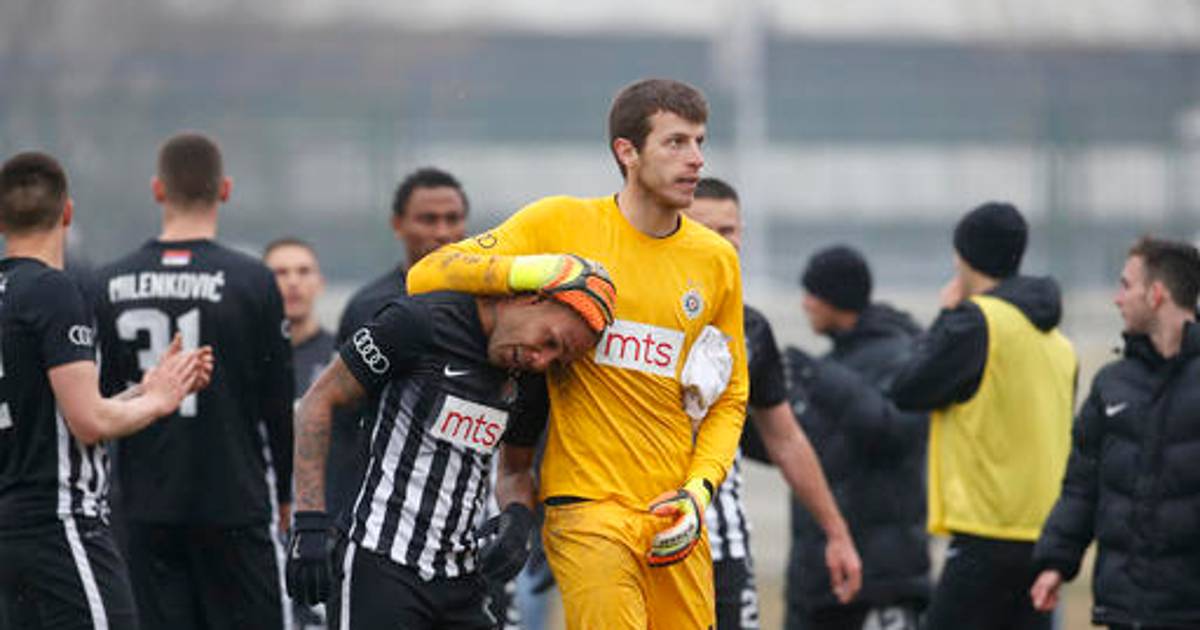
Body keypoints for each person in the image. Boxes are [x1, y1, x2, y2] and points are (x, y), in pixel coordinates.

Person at [407, 78, 751, 629]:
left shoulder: (716, 261)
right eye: (676, 142)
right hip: (586, 509)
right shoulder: (561, 223)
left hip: (675, 513)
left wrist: (698, 490)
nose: (696, 159)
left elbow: (731, 398)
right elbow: (428, 273)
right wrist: (535, 270)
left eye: (699, 142)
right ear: (627, 152)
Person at [285, 259, 617, 630]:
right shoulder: (419, 323)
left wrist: (518, 519)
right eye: (550, 341)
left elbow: (515, 470)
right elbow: (318, 401)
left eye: (558, 358)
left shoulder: (531, 375)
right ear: (533, 298)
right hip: (380, 561)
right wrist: (309, 522)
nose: (542, 360)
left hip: (464, 578)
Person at [0, 151, 212, 629]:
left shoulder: (11, 295)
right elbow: (89, 422)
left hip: (12, 531)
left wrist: (144, 390)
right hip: (61, 525)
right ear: (67, 212)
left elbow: (57, 416)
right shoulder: (53, 290)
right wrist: (158, 402)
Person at [93, 132, 295, 630]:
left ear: (157, 190)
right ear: (224, 189)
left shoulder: (109, 282)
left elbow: (100, 398)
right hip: (233, 500)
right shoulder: (252, 280)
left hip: (145, 504)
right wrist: (288, 494)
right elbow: (279, 401)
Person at [683, 177, 862, 630]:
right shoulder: (632, 313)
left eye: (728, 230)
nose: (720, 242)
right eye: (705, 229)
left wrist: (837, 532)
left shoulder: (751, 329)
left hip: (723, 548)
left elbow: (785, 440)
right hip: (640, 539)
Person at [889, 201, 1076, 630]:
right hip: (1041, 536)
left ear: (964, 256)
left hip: (986, 535)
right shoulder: (1056, 341)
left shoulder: (977, 323)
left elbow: (907, 387)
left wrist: (947, 314)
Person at [1031, 237, 1200, 630]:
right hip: (1126, 610)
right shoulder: (1111, 384)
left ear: (1156, 294)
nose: (1116, 298)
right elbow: (1081, 486)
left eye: (1126, 285)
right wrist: (1056, 562)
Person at [783, 245, 930, 630]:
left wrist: (820, 378)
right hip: (818, 585)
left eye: (813, 293)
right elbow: (790, 446)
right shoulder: (830, 366)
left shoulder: (904, 358)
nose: (805, 303)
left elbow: (895, 430)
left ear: (837, 297)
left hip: (881, 584)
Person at [328, 167, 470, 524]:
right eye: (428, 219)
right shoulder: (368, 307)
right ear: (397, 224)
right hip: (381, 508)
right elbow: (341, 416)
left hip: (463, 504)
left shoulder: (484, 304)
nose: (442, 232)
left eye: (452, 219)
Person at [265, 237, 335, 630]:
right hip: (262, 516)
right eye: (280, 272)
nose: (293, 282)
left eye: (303, 271)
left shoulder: (342, 358)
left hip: (322, 518)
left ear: (319, 282)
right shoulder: (249, 358)